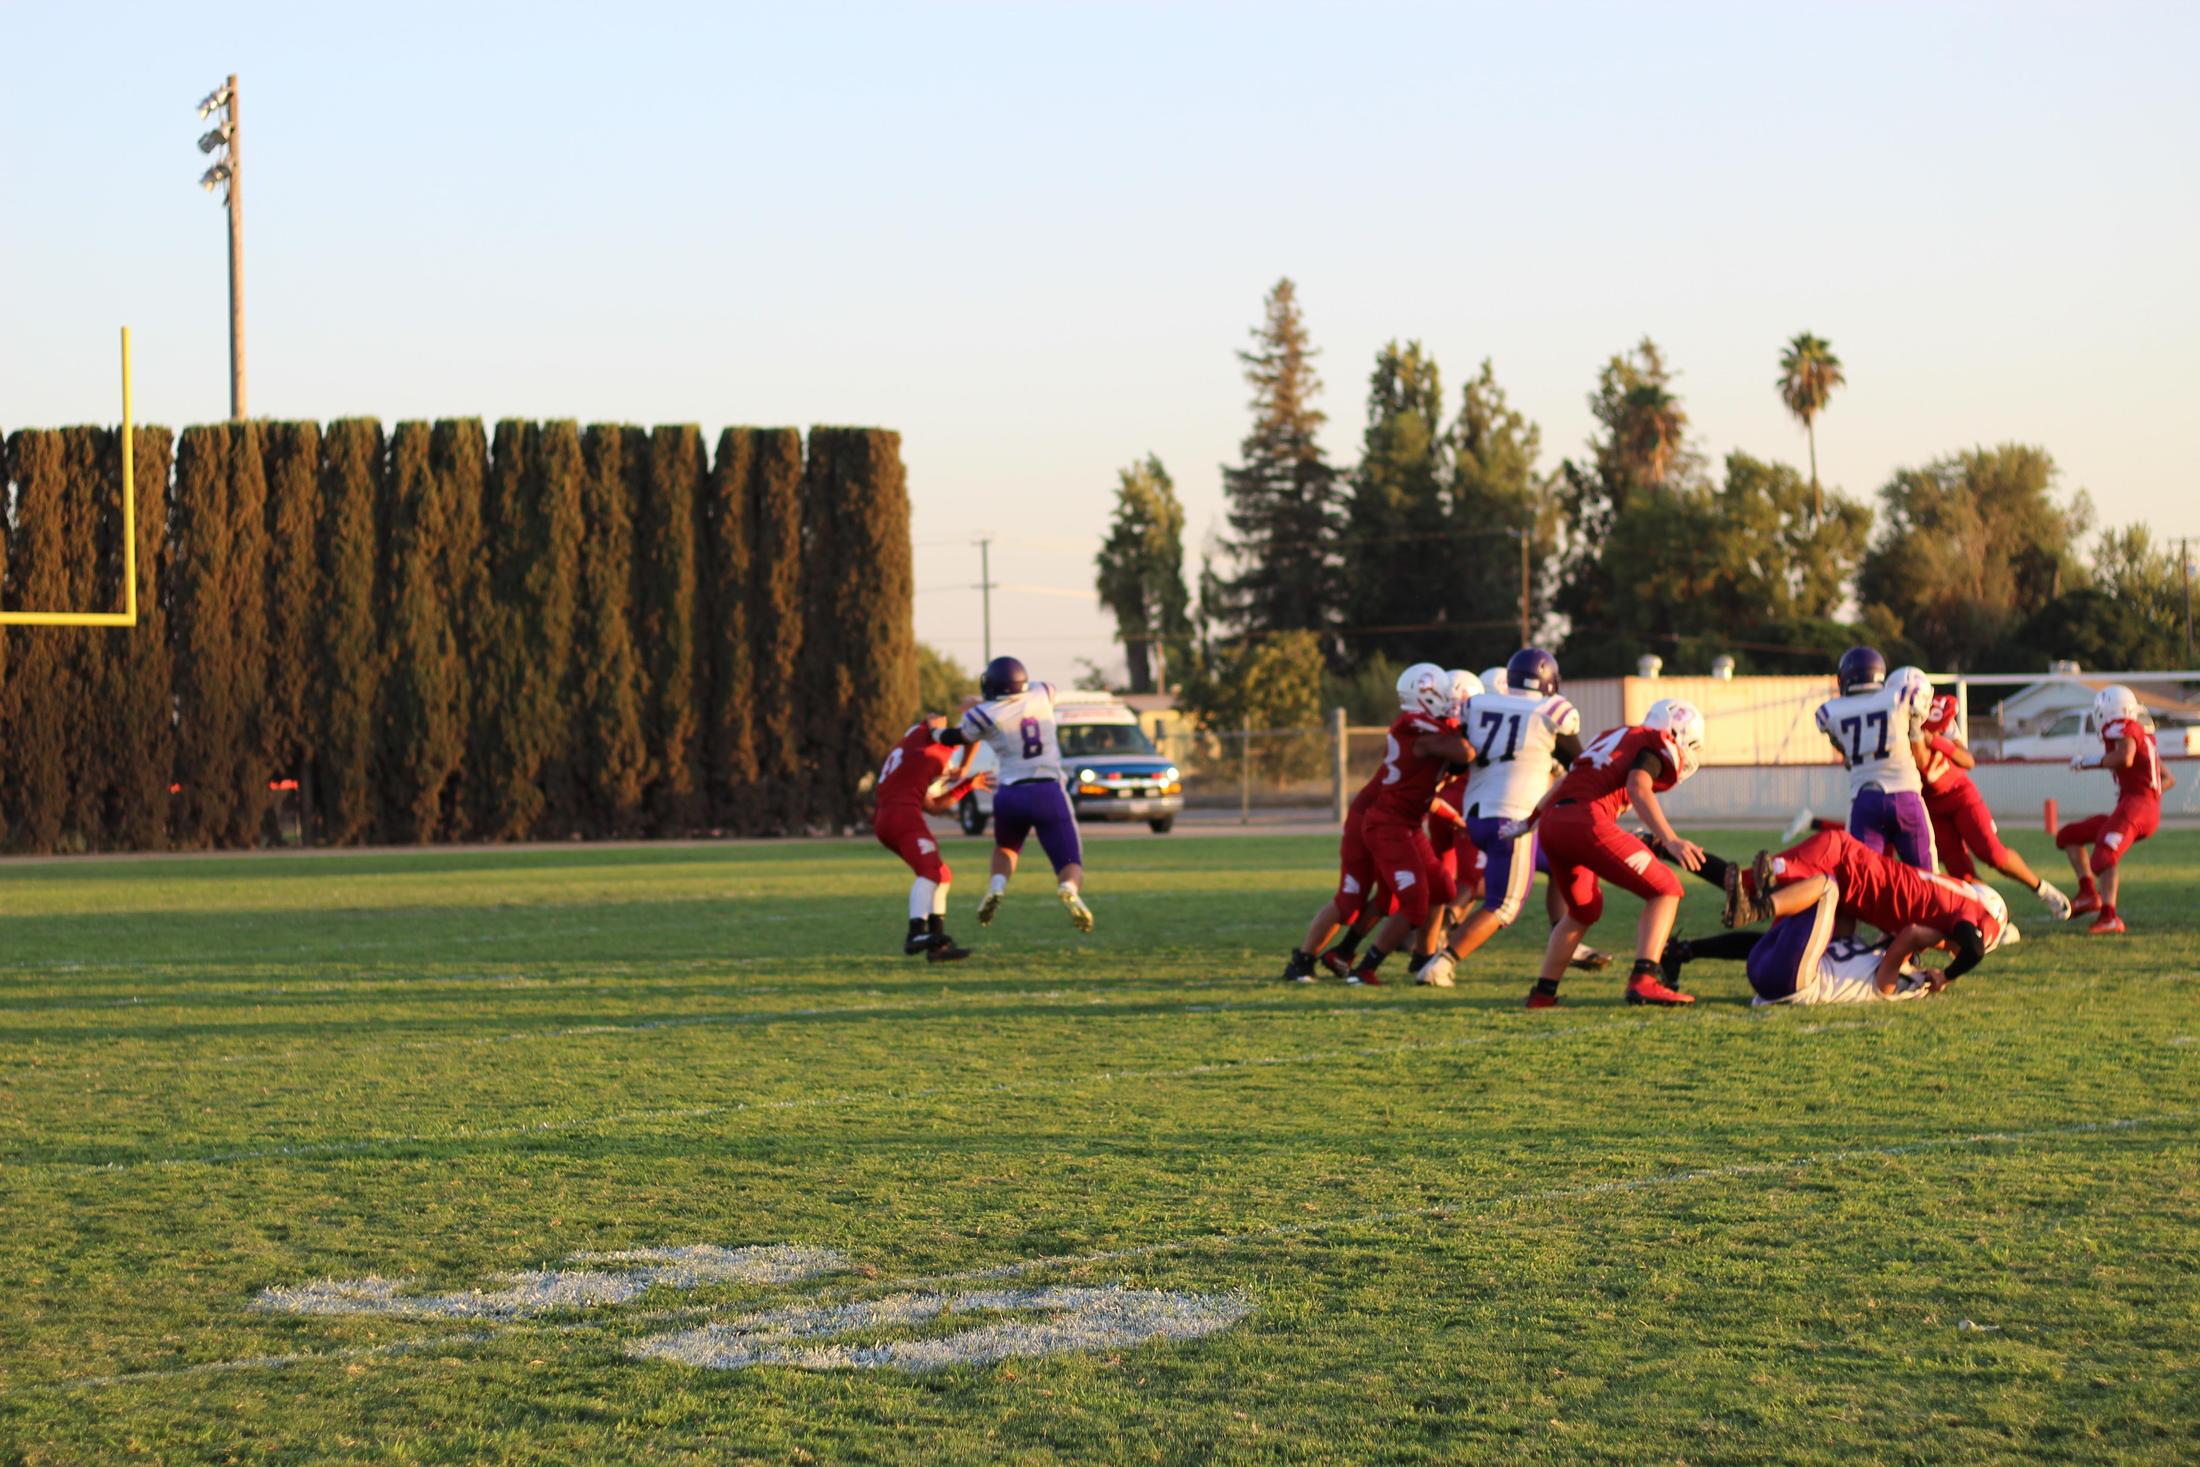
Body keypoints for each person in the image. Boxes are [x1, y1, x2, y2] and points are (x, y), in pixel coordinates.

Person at [1505, 698, 1706, 1008]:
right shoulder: (1651, 743)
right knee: (1666, 888)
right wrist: (1670, 839)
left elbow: (1563, 782)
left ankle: (1543, 993)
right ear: (1675, 733)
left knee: (1583, 910)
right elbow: (1638, 785)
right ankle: (1645, 980)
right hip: (1586, 822)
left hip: (1554, 824)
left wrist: (1531, 821)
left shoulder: (1613, 736)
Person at [1417, 647, 1587, 989]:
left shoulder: (1479, 705)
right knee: (1504, 905)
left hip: (1477, 814)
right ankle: (1440, 964)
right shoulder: (1553, 711)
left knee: (1560, 862)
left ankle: (1567, 940)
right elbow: (1580, 765)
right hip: (1513, 818)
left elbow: (1462, 759)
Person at [1661, 838, 2010, 1001]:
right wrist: (1947, 976)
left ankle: (1668, 856)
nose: (1947, 948)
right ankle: (1762, 902)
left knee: (1750, 887)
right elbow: (1973, 948)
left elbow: (1909, 933)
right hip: (1842, 867)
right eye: (1949, 948)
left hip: (1848, 872)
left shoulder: (1944, 898)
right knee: (1768, 893)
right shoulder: (1968, 916)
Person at [1339, 664, 1479, 985]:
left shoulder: (1431, 725)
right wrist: (1462, 727)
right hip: (1389, 825)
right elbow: (1465, 752)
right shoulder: (1414, 724)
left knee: (1443, 888)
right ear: (1428, 694)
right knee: (1414, 903)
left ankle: (1421, 959)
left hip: (1408, 824)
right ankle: (1364, 969)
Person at [937, 656, 1094, 932]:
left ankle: (997, 885)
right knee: (1070, 861)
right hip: (1048, 791)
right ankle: (1069, 888)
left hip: (1010, 794)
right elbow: (1024, 694)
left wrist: (932, 734)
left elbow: (958, 737)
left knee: (1006, 848)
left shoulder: (983, 714)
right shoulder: (1041, 693)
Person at [1916, 690, 2071, 918]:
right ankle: (1994, 919)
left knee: (1993, 854)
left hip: (1960, 795)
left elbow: (1967, 759)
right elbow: (1921, 766)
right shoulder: (1896, 727)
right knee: (1960, 870)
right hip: (1932, 805)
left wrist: (1935, 740)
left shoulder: (1935, 720)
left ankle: (2042, 889)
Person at [2055, 684, 2175, 935]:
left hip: (2137, 806)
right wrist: (2147, 795)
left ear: (2110, 711)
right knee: (2069, 836)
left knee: (2104, 857)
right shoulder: (2141, 734)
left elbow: (2125, 758)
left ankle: (2109, 916)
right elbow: (2167, 777)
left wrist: (2087, 762)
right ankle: (2088, 894)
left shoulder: (2124, 727)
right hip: (2135, 805)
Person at [871, 716, 991, 960]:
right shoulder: (928, 736)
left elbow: (935, 806)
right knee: (929, 873)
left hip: (889, 818)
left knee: (942, 874)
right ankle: (916, 933)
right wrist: (965, 767)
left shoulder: (913, 756)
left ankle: (938, 945)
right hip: (901, 816)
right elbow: (965, 734)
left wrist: (966, 785)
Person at [1814, 649, 1936, 869]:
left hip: (1865, 799)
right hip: (1905, 796)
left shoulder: (1831, 712)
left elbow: (1845, 754)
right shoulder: (1900, 697)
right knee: (1927, 880)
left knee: (1864, 881)